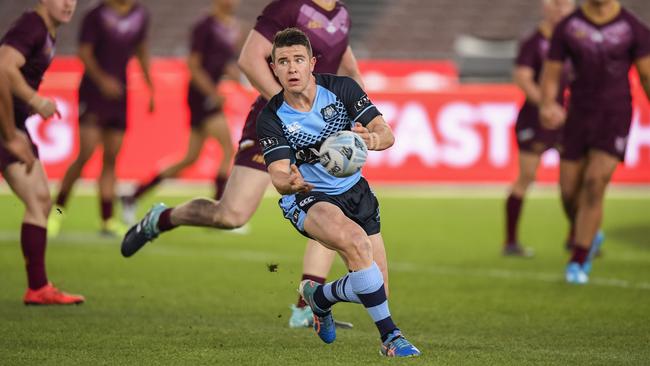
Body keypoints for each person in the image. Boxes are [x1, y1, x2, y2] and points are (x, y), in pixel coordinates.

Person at [121, 0, 364, 329]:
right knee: (230, 215)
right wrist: (291, 112)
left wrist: (362, 115)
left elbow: (347, 66)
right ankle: (162, 218)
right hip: (276, 123)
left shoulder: (343, 14)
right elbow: (250, 59)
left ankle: (305, 307)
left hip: (321, 127)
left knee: (330, 207)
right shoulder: (288, 7)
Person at [255, 27, 419, 357]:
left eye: (298, 59)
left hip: (355, 192)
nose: (291, 68)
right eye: (283, 61)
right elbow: (277, 175)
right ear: (273, 67)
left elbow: (385, 133)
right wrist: (291, 182)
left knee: (375, 290)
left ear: (312, 63)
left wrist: (371, 140)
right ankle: (391, 337)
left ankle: (321, 297)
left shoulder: (341, 89)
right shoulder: (272, 116)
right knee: (356, 243)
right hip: (309, 197)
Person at [540, 0, 650, 284]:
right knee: (568, 192)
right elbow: (552, 73)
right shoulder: (569, 26)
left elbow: (646, 75)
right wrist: (548, 103)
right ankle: (591, 231)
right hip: (577, 115)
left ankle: (579, 258)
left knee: (595, 182)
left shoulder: (632, 28)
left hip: (615, 115)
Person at [120, 0, 239, 221]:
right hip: (200, 96)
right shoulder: (205, 26)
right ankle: (220, 211)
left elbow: (224, 62)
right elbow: (193, 65)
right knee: (228, 148)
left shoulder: (231, 28)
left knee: (189, 158)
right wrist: (213, 92)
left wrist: (239, 78)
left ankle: (133, 195)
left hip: (209, 95)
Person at [0, 0, 85, 305]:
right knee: (39, 200)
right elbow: (2, 68)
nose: (68, 3)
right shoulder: (31, 26)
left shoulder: (46, 30)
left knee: (40, 200)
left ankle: (38, 287)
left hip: (12, 122)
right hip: (6, 125)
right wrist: (13, 131)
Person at [48, 0, 153, 237]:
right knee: (85, 153)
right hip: (93, 93)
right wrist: (103, 80)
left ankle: (107, 220)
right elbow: (84, 53)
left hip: (120, 94)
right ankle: (56, 211)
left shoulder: (139, 15)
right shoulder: (95, 15)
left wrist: (150, 86)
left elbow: (142, 50)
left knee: (111, 158)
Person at [503, 0, 575, 257]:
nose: (559, 9)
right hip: (535, 119)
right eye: (555, 4)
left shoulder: (574, 41)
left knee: (572, 181)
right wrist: (548, 105)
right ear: (545, 7)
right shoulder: (534, 42)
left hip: (567, 118)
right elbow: (523, 78)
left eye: (564, 5)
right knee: (527, 176)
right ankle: (510, 241)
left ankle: (576, 237)